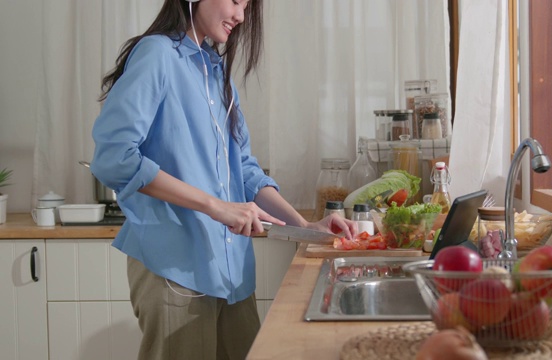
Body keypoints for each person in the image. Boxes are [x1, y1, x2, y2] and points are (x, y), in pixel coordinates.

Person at [90, 0, 357, 359]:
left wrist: (305, 226)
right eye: (234, 1)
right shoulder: (157, 55)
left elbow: (243, 168)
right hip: (175, 269)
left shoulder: (216, 70)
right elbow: (114, 159)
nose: (241, 16)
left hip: (230, 272)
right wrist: (216, 207)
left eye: (246, 6)